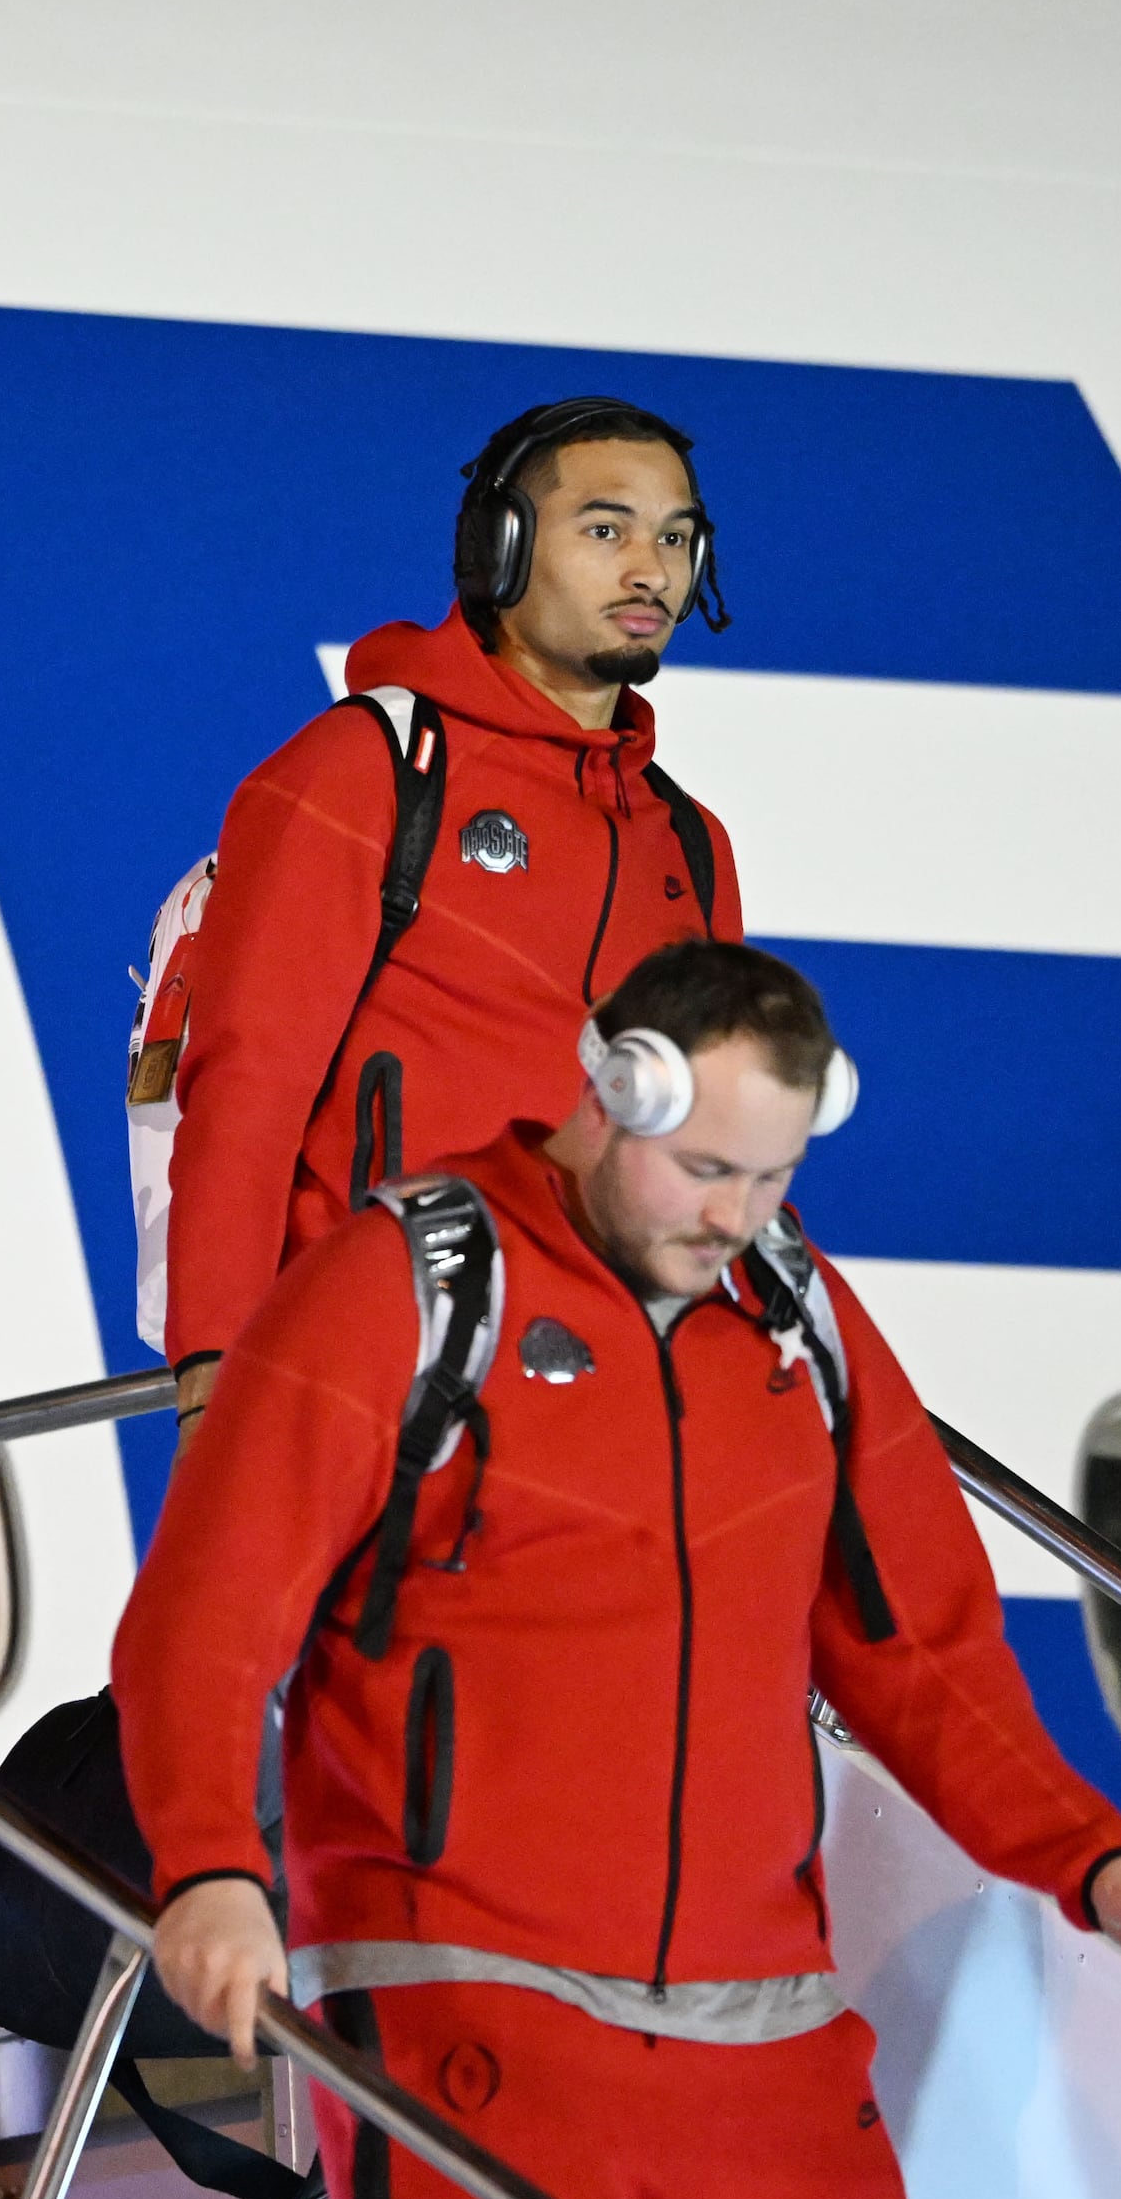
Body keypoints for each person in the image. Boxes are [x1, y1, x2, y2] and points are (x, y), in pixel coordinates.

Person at [116, 939, 1121, 2199]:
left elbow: (923, 1646)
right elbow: (207, 1614)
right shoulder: (413, 1284)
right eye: (706, 1167)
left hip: (758, 2030)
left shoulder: (796, 1324)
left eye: (768, 1179)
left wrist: (1090, 1856)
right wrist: (209, 1867)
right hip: (471, 1998)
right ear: (608, 1090)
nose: (735, 1216)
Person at [163, 398, 744, 1441]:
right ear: (501, 549)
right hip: (378, 1377)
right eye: (606, 529)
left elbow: (718, 1144)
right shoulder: (363, 770)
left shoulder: (690, 842)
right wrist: (217, 1369)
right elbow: (247, 1085)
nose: (651, 570)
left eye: (676, 535)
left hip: (608, 1404)